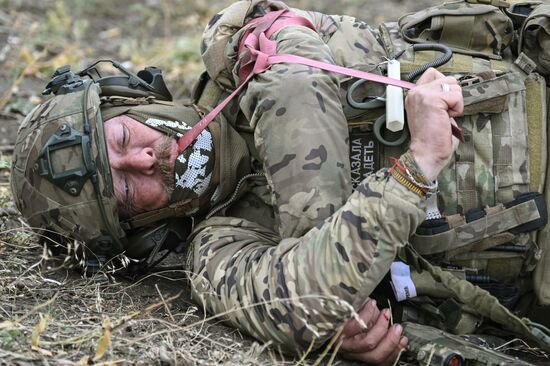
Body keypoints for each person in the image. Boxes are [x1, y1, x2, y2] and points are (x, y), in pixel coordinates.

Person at [9, 0, 475, 365]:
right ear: (140, 229)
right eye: (125, 189)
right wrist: (414, 171)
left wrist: (345, 265)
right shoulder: (216, 254)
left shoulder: (238, 46)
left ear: (131, 98)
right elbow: (311, 298)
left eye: (124, 136)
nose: (145, 158)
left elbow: (293, 77)